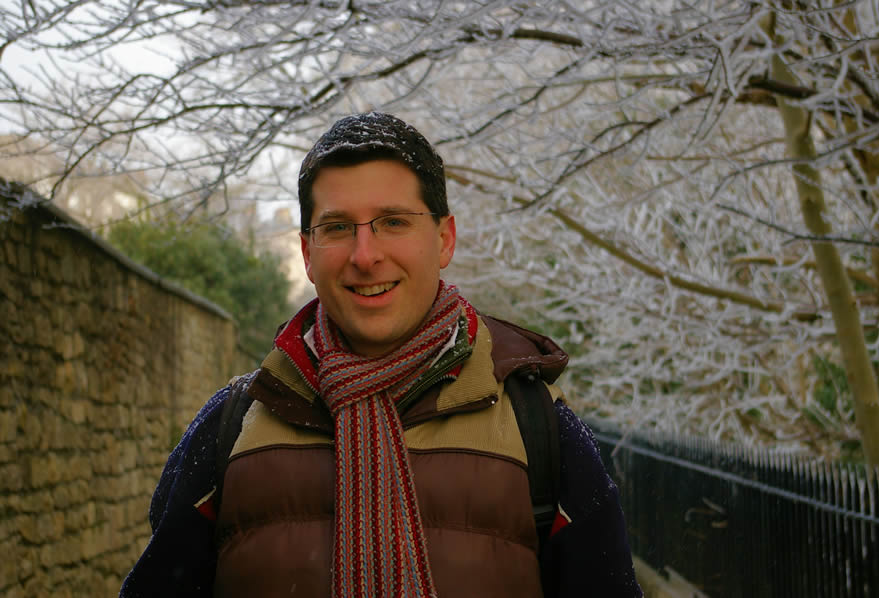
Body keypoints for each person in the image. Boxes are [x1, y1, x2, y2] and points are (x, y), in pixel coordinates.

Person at [120, 112, 642, 598]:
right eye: (337, 227)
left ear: (444, 239)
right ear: (306, 253)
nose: (365, 256)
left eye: (393, 221)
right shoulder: (231, 429)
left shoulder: (539, 429)